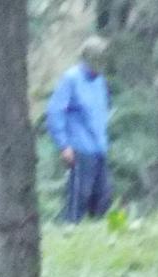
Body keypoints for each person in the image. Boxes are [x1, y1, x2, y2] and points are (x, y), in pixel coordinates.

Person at [46, 35, 113, 224]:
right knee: (78, 200)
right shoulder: (71, 79)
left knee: (104, 197)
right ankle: (69, 232)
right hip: (79, 149)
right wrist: (64, 145)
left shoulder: (100, 81)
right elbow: (55, 112)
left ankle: (98, 235)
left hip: (99, 148)